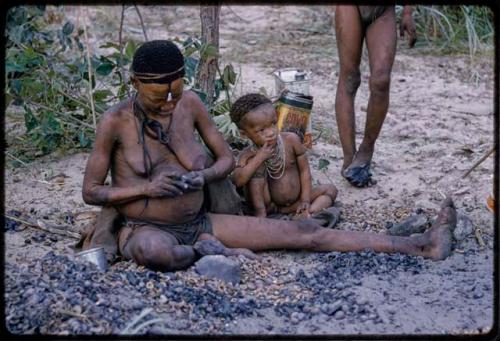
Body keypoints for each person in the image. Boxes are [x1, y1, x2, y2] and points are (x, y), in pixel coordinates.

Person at [82, 39, 456, 272]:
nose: (168, 102)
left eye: (174, 93)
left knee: (306, 233)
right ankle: (202, 253)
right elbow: (92, 191)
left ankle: (421, 244)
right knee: (154, 253)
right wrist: (148, 187)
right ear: (134, 84)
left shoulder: (190, 104)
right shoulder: (115, 122)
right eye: (157, 96)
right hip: (149, 228)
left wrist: (205, 176)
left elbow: (226, 160)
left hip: (203, 220)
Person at [334, 5, 417, 187]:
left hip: (382, 10)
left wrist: (408, 12)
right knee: (349, 78)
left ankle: (366, 149)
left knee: (381, 80)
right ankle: (349, 157)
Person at [229, 93, 338, 220]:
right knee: (255, 166)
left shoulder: (291, 141)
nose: (271, 133)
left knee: (330, 190)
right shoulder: (248, 154)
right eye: (261, 130)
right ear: (244, 134)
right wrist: (260, 157)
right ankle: (261, 216)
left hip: (296, 202)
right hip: (271, 207)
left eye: (273, 124)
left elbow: (304, 171)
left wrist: (305, 200)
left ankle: (306, 213)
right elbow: (238, 181)